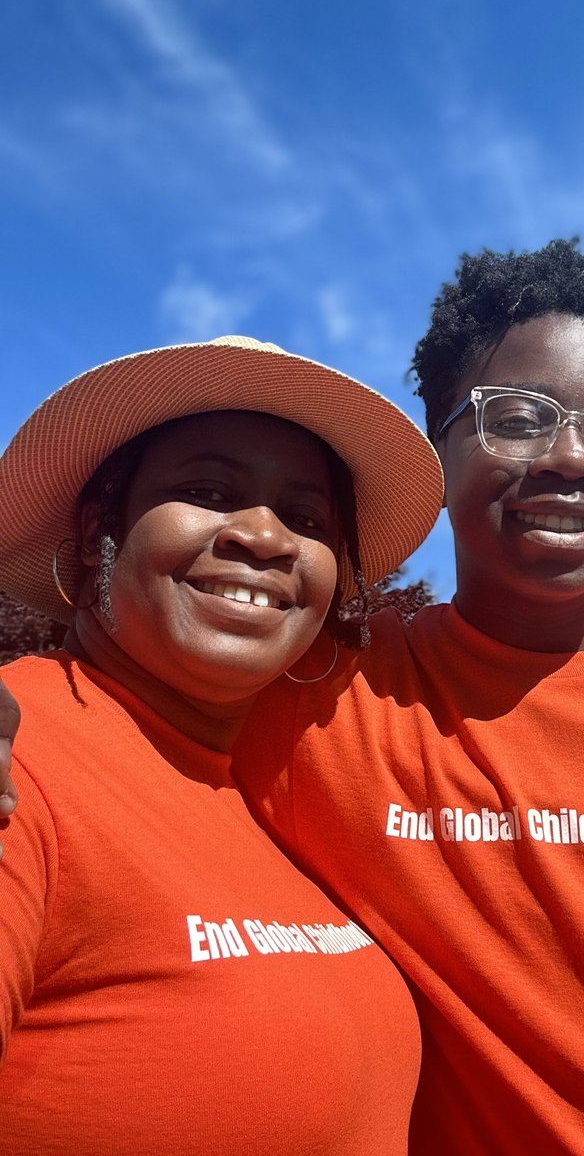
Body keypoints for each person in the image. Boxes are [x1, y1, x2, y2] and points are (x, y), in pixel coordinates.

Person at [3, 242, 584, 1155]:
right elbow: (130, 694)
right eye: (518, 417)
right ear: (439, 443)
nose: (574, 459)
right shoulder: (321, 694)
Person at [0, 334, 444, 1156]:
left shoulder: (285, 800)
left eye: (307, 518)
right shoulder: (19, 762)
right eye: (206, 490)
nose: (265, 538)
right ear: (103, 526)